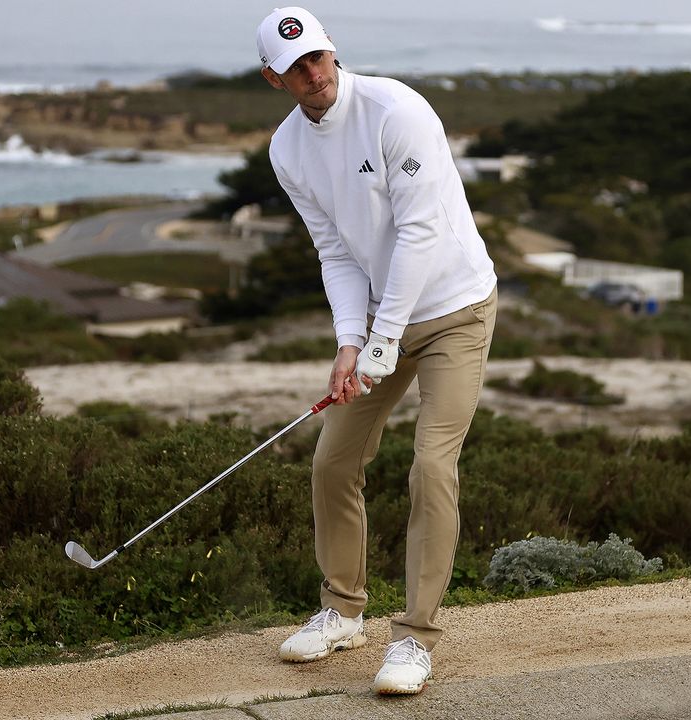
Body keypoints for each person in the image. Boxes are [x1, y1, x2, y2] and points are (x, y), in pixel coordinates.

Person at [255, 6, 498, 696]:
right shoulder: (287, 150)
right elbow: (336, 250)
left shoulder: (397, 110)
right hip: (383, 323)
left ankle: (416, 639)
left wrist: (383, 340)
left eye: (319, 59)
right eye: (295, 67)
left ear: (334, 54)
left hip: (455, 310)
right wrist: (348, 343)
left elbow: (420, 234)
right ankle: (342, 609)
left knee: (430, 466)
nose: (312, 75)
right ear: (273, 78)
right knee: (334, 461)